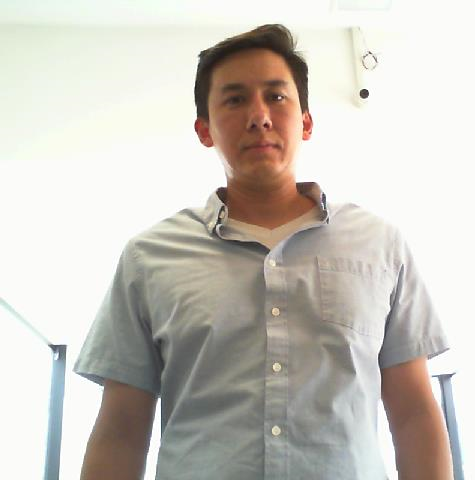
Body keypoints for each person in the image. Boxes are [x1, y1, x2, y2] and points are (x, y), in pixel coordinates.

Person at [74, 24, 453, 480]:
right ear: (204, 130)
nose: (259, 116)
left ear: (306, 122)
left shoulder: (380, 246)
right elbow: (120, 430)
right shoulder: (148, 258)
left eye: (276, 96)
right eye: (235, 100)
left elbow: (413, 414)